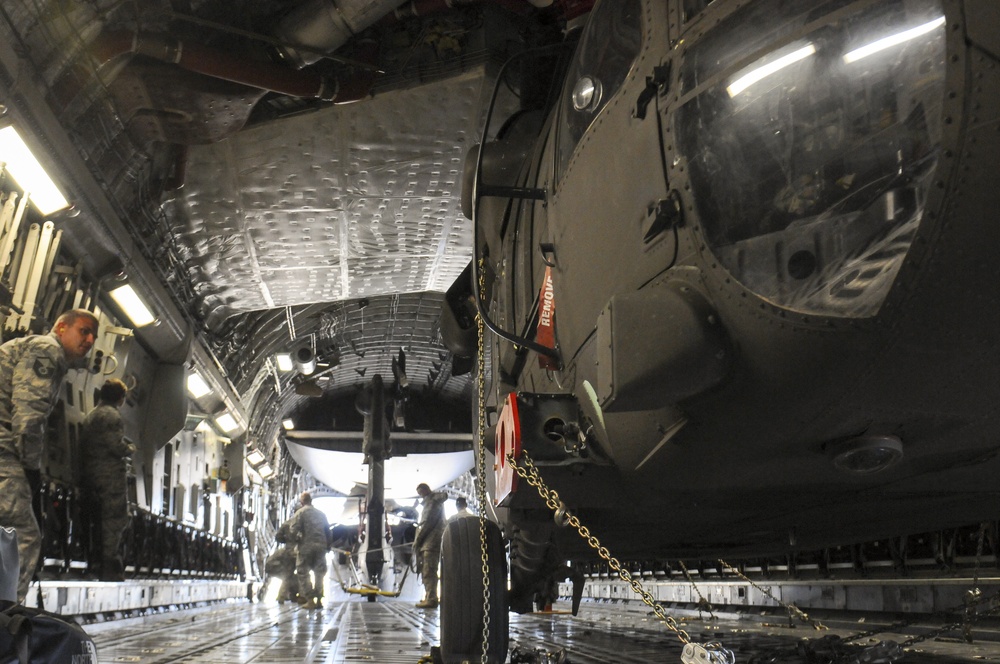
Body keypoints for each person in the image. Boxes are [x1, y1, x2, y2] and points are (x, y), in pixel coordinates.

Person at [0, 309, 97, 602]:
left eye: (93, 335)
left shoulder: (36, 349)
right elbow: (29, 415)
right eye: (83, 331)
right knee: (23, 537)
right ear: (61, 327)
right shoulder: (47, 350)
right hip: (3, 450)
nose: (90, 340)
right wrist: (30, 468)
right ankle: (6, 623)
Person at [81, 378, 133, 581]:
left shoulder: (92, 414)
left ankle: (95, 562)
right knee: (114, 521)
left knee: (96, 520)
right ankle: (109, 565)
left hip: (91, 474)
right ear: (120, 399)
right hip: (110, 477)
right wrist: (130, 449)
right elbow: (116, 446)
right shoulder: (112, 416)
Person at [289, 492, 329, 609]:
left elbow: (293, 530)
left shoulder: (300, 513)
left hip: (306, 546)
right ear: (311, 501)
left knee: (302, 571)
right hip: (321, 546)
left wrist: (297, 540)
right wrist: (328, 545)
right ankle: (319, 600)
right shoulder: (321, 514)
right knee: (319, 573)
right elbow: (328, 531)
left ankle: (310, 599)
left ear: (302, 502)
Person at [413, 482, 447, 609]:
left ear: (425, 491)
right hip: (432, 541)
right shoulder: (435, 502)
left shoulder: (431, 502)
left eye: (420, 493)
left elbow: (426, 523)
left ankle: (431, 598)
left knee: (429, 570)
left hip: (430, 542)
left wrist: (417, 541)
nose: (421, 496)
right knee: (429, 570)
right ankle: (429, 596)